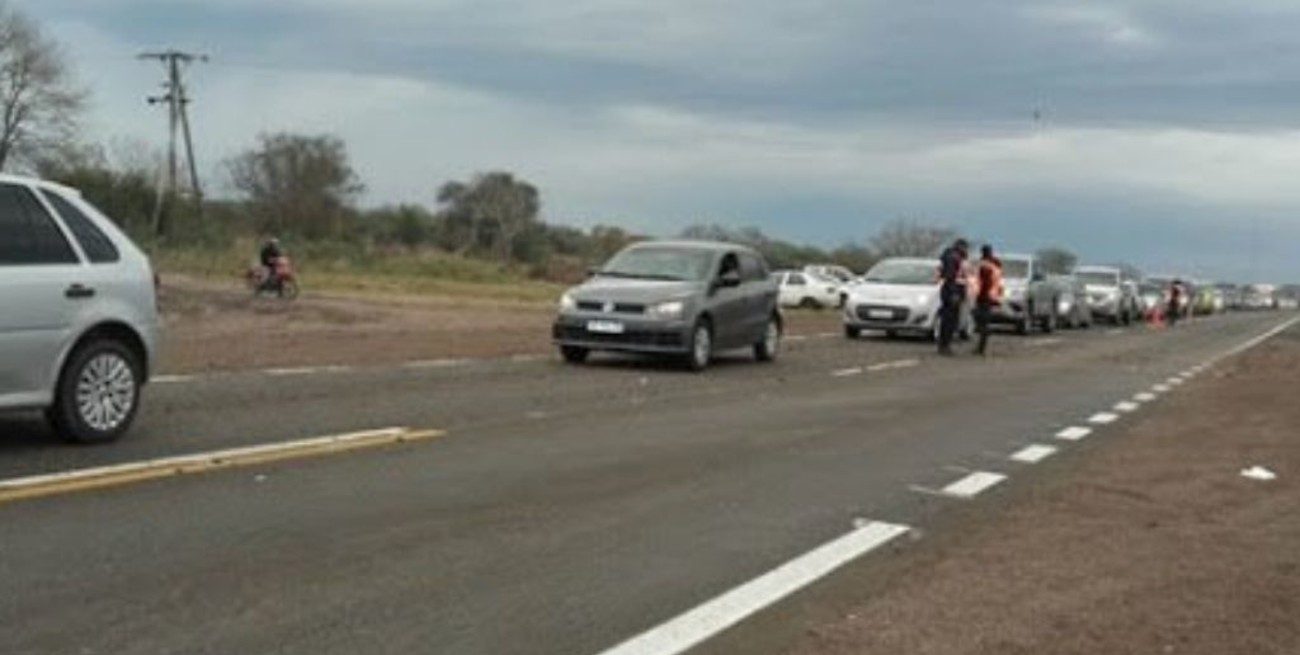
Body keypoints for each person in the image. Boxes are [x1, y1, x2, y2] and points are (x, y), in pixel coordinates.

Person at [936, 238, 970, 356]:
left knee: (949, 320)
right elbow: (951, 277)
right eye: (965, 247)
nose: (966, 250)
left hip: (951, 291)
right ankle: (944, 345)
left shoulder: (955, 257)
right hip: (952, 292)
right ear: (960, 247)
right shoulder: (953, 258)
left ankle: (944, 344)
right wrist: (954, 293)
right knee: (949, 321)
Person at [974, 244, 1004, 356]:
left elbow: (984, 282)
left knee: (982, 322)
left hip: (984, 296)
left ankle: (981, 348)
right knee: (984, 322)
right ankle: (982, 346)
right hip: (992, 295)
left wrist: (978, 294)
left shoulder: (985, 265)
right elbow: (999, 282)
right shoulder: (996, 264)